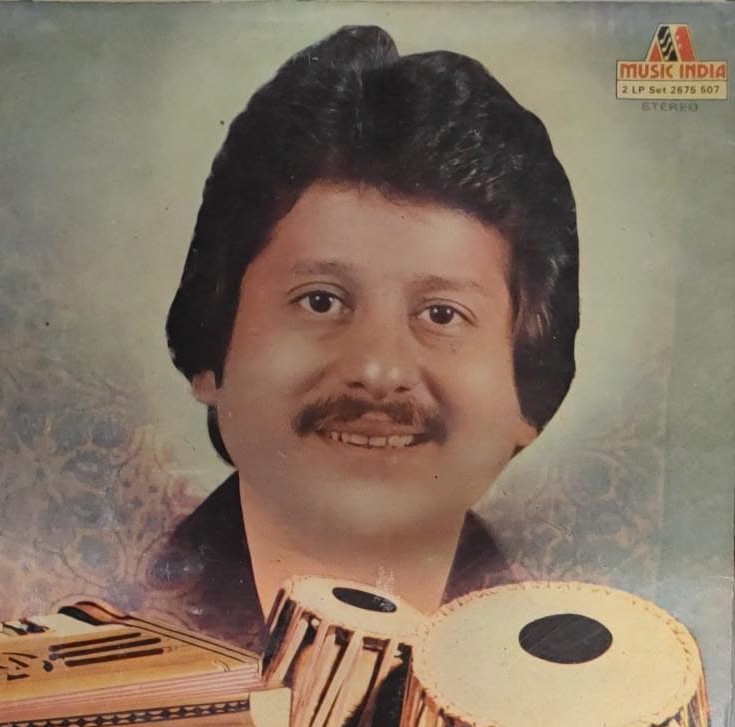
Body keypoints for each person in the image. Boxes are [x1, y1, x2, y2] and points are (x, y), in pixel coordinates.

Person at [152, 25, 579, 651]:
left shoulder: (575, 686)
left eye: (441, 315)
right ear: (211, 359)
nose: (378, 371)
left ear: (527, 398)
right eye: (320, 301)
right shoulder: (97, 612)